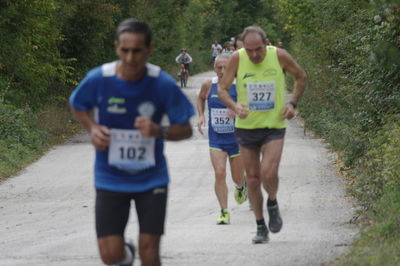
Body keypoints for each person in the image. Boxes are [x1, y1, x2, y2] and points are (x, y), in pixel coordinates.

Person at [69, 18, 194, 266]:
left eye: (137, 51)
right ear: (116, 47)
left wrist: (159, 130)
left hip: (152, 178)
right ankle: (126, 255)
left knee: (149, 253)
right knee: (110, 255)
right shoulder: (100, 79)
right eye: (124, 50)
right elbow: (77, 104)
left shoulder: (161, 83)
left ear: (149, 49)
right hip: (110, 176)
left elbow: (186, 129)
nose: (130, 57)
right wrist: (92, 128)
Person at [217, 26, 307, 244]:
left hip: (274, 126)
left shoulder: (280, 56)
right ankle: (260, 226)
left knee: (268, 173)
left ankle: (273, 201)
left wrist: (293, 103)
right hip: (247, 127)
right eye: (250, 51)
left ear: (266, 44)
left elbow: (301, 77)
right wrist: (234, 105)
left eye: (258, 49)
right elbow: (222, 89)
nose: (254, 55)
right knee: (254, 179)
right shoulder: (237, 59)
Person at [197, 53, 247, 225]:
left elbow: (250, 108)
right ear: (214, 68)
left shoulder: (239, 85)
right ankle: (224, 211)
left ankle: (241, 186)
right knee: (219, 173)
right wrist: (201, 115)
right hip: (216, 139)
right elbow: (201, 98)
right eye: (219, 67)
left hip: (237, 140)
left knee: (237, 178)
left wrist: (237, 110)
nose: (222, 70)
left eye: (226, 67)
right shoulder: (208, 84)